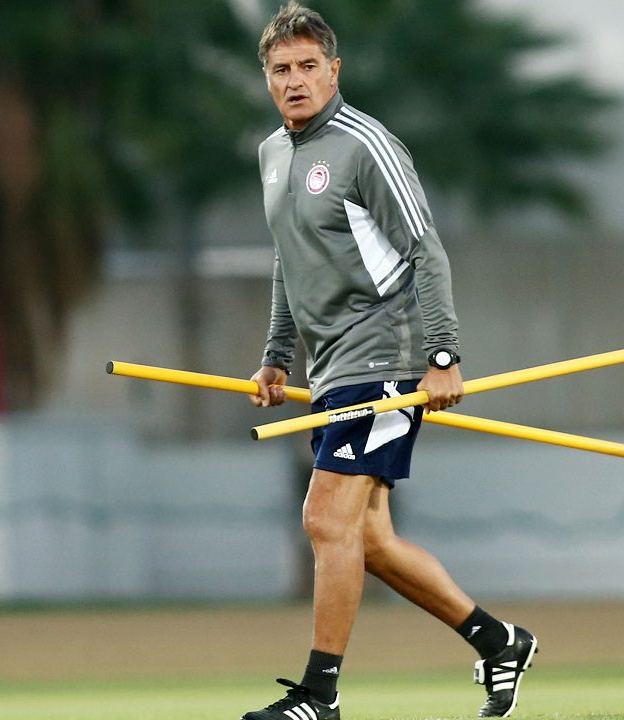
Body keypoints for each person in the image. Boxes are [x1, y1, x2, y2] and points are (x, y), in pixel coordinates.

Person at [242, 3, 537, 719]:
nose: (295, 80)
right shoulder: (272, 153)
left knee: (325, 520)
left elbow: (424, 250)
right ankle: (498, 641)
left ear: (333, 70)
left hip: (387, 355)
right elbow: (290, 258)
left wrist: (442, 356)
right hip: (333, 366)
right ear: (267, 78)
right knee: (367, 538)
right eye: (281, 69)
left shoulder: (366, 144)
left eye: (308, 66)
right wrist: (277, 355)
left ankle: (319, 697)